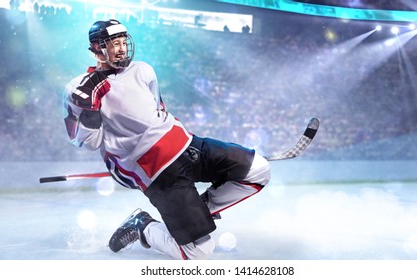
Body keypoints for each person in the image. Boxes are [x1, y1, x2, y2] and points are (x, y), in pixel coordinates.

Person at [62, 19, 270, 260]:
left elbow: (158, 110)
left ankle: (200, 209)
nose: (120, 48)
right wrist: (90, 112)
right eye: (112, 44)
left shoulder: (143, 70)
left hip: (189, 146)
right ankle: (143, 226)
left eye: (122, 42)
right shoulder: (80, 88)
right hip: (156, 170)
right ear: (96, 48)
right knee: (197, 254)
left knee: (259, 170)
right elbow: (88, 142)